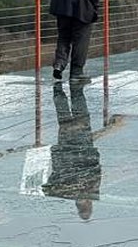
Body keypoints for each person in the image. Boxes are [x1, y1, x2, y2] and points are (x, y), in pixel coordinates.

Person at [42, 82, 101, 220]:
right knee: (64, 118)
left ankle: (75, 88)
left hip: (82, 147)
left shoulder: (91, 193)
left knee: (79, 115)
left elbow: (96, 171)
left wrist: (94, 153)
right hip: (69, 149)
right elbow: (48, 187)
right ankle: (58, 89)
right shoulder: (69, 193)